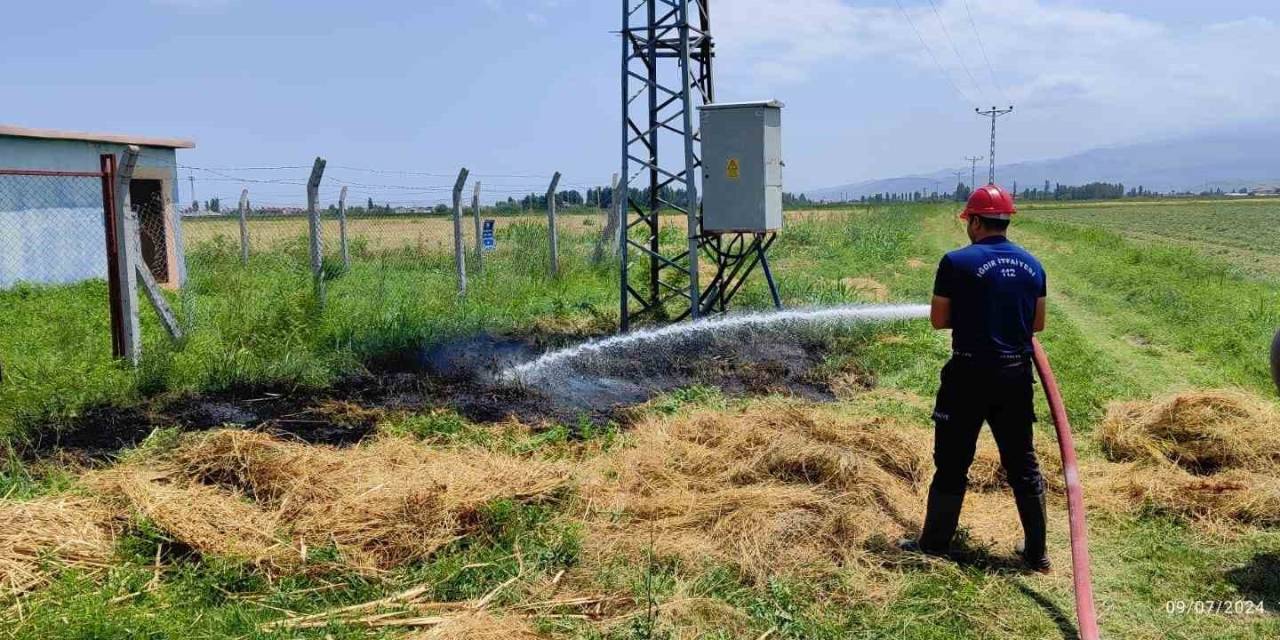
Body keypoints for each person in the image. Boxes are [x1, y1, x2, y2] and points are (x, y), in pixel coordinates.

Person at [902, 184, 1051, 573]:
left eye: (969, 220)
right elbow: (1037, 324)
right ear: (1006, 221)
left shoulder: (956, 262)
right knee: (1022, 464)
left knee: (952, 463)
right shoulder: (1034, 265)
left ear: (976, 221)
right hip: (1014, 375)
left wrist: (972, 316)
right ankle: (1037, 554)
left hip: (967, 375)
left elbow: (938, 320)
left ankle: (935, 546)